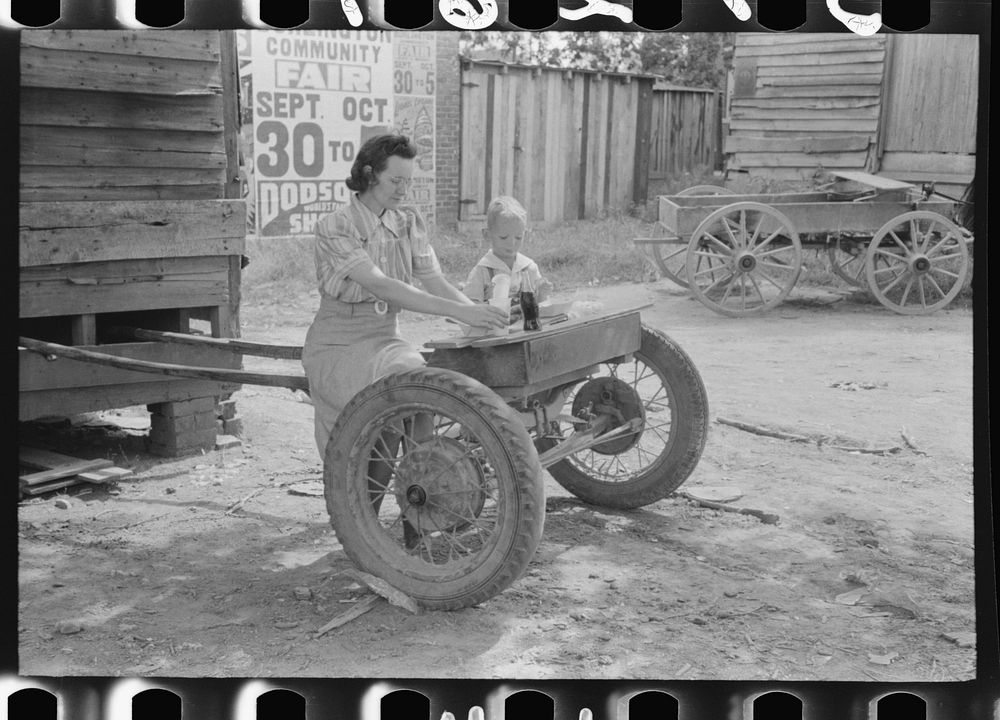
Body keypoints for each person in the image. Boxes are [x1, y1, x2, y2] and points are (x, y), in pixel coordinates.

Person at [301, 134, 508, 459]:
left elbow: (433, 280)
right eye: (395, 180)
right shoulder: (336, 226)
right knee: (381, 418)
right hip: (337, 346)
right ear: (369, 174)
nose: (403, 189)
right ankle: (363, 505)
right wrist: (464, 313)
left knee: (421, 391)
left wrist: (483, 318)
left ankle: (418, 489)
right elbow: (383, 286)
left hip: (386, 339)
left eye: (408, 182)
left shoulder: (407, 221)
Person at [463, 195, 552, 316]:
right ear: (487, 235)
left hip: (525, 332)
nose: (511, 243)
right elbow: (468, 307)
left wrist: (542, 294)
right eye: (503, 237)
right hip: (494, 332)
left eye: (518, 237)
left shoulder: (529, 268)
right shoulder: (482, 271)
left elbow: (540, 308)